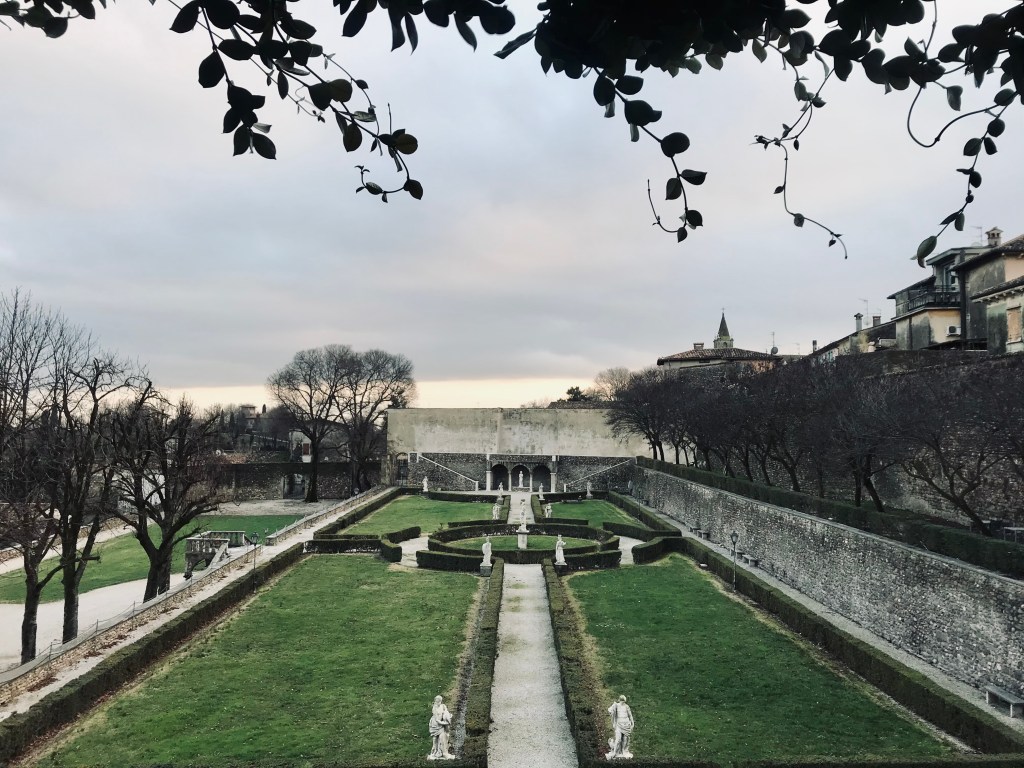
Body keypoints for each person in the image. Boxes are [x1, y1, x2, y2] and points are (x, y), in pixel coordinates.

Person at [606, 695, 634, 760]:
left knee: (625, 739)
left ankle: (624, 751)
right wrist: (612, 711)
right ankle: (615, 752)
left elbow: (630, 716)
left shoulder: (627, 707)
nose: (622, 703)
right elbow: (609, 710)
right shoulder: (616, 705)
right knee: (618, 739)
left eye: (623, 702)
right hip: (619, 725)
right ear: (619, 700)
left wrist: (632, 723)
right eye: (621, 701)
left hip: (626, 725)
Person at [428, 695, 455, 760]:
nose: (438, 703)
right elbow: (438, 721)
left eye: (439, 701)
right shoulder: (434, 709)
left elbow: (446, 712)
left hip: (441, 724)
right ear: (435, 701)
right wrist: (446, 723)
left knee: (443, 737)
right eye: (437, 702)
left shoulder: (443, 706)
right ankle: (437, 752)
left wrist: (447, 716)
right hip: (436, 725)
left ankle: (443, 752)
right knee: (436, 739)